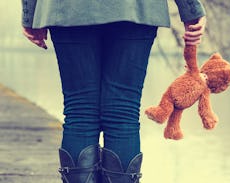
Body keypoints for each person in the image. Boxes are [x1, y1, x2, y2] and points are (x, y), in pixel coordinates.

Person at [21, 0, 207, 182]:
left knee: (80, 110)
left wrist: (30, 14)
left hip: (68, 8)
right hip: (136, 8)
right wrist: (191, 8)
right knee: (122, 113)